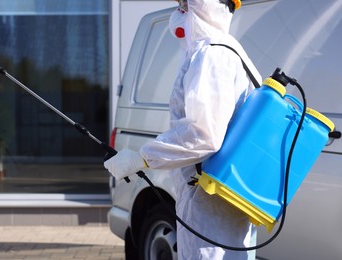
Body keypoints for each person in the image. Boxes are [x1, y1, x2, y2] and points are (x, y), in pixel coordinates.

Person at [104, 0, 262, 259]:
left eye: (185, 4)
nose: (179, 12)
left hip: (211, 205)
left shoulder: (211, 54)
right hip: (220, 200)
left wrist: (140, 158)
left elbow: (203, 135)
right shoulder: (229, 49)